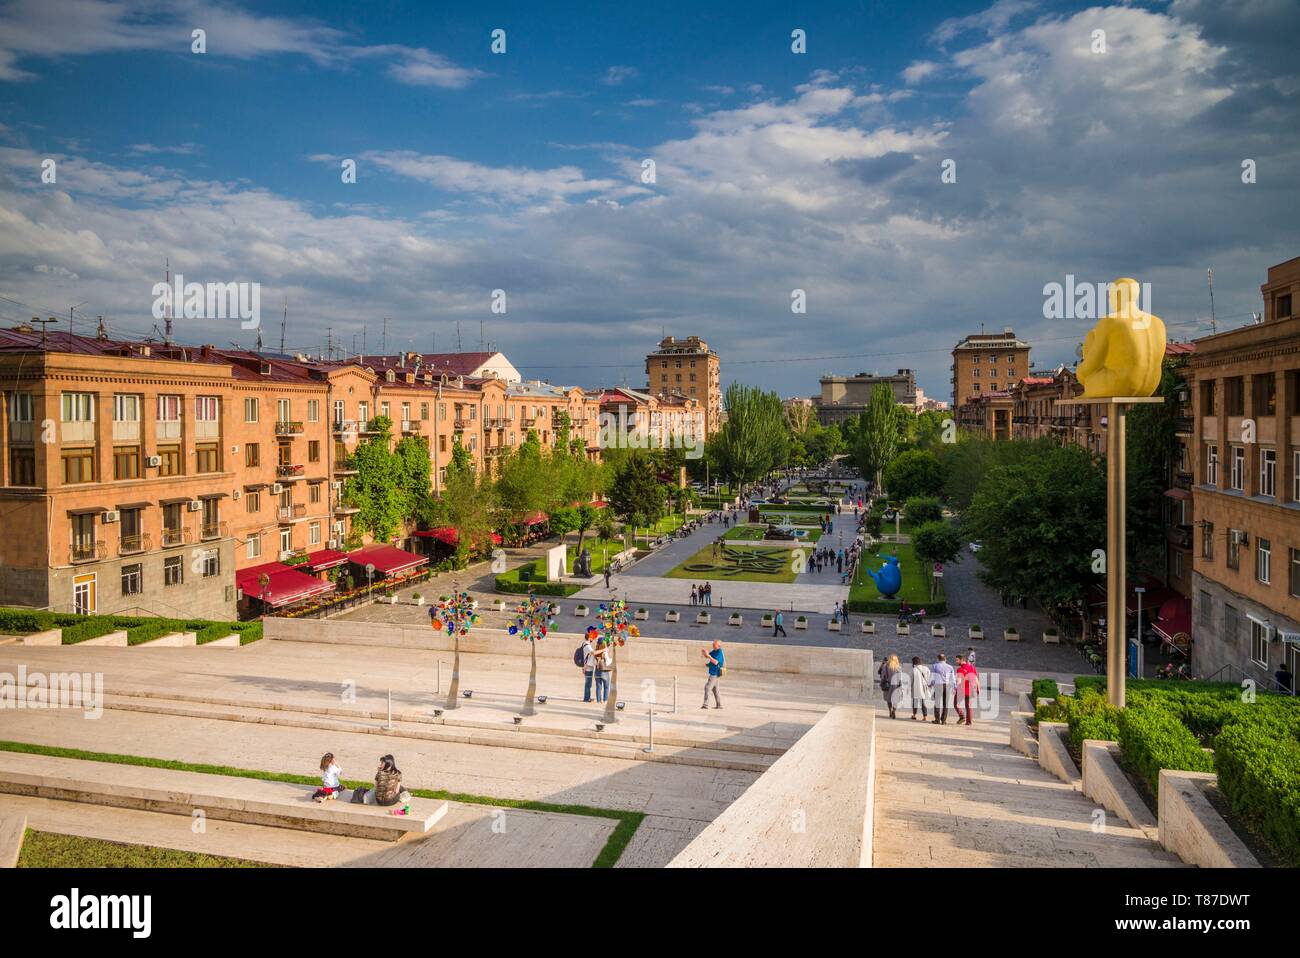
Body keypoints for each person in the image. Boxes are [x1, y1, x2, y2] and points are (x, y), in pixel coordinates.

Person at [954, 654, 980, 726]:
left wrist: (955, 689)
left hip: (962, 690)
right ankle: (969, 722)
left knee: (956, 704)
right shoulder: (972, 667)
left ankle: (962, 716)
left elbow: (958, 682)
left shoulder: (959, 669)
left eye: (957, 660)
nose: (956, 662)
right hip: (971, 689)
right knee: (968, 705)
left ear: (962, 660)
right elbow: (976, 678)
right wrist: (978, 688)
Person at [929, 653, 955, 725]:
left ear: (938, 659)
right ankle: (943, 720)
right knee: (945, 704)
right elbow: (953, 678)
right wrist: (954, 687)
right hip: (947, 686)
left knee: (937, 703)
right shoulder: (950, 667)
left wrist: (930, 684)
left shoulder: (935, 666)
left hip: (938, 685)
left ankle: (937, 720)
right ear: (945, 659)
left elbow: (932, 676)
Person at [879, 653, 903, 719]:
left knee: (888, 699)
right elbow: (900, 678)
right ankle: (894, 710)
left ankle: (890, 711)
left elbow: (883, 677)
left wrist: (881, 683)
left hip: (888, 685)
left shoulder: (885, 666)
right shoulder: (898, 667)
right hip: (896, 685)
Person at [701, 639, 725, 709]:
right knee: (715, 689)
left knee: (707, 687)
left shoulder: (719, 652)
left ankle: (705, 704)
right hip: (714, 672)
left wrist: (708, 656)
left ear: (719, 646)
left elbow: (716, 662)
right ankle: (719, 705)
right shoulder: (714, 651)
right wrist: (705, 653)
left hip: (716, 673)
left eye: (714, 645)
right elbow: (708, 656)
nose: (713, 646)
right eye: (713, 644)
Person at [909, 656, 932, 721]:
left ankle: (914, 715)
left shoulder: (914, 669)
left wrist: (909, 689)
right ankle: (925, 716)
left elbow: (911, 680)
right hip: (924, 688)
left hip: (916, 689)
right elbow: (929, 679)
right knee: (923, 703)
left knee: (915, 703)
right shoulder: (926, 668)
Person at [581, 632, 598, 702]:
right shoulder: (587, 646)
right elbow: (593, 653)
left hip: (587, 666)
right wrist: (603, 650)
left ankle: (587, 697)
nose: (593, 638)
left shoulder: (584, 644)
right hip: (588, 668)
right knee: (588, 684)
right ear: (589, 637)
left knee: (588, 684)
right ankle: (586, 698)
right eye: (592, 637)